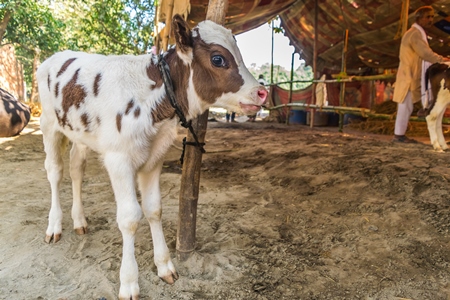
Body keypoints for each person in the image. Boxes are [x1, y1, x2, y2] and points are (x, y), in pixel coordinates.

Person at [392, 6, 450, 143]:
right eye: (427, 17)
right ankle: (398, 136)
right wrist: (444, 60)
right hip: (409, 75)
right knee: (405, 105)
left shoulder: (418, 33)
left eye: (432, 17)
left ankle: (400, 135)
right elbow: (425, 53)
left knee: (407, 105)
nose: (430, 19)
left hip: (412, 74)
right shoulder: (414, 34)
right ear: (419, 18)